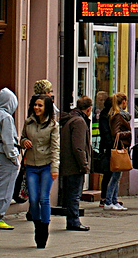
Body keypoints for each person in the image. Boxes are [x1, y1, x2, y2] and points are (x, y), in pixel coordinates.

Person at [22, 95, 60, 248]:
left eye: (40, 106)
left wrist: (54, 168)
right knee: (33, 199)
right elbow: (22, 137)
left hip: (46, 165)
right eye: (35, 105)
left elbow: (55, 148)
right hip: (31, 165)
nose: (36, 108)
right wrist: (24, 141)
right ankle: (38, 225)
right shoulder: (28, 121)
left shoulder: (53, 125)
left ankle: (44, 228)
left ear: (46, 108)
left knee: (44, 198)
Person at [13, 79, 54, 206]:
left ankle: (35, 208)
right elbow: (27, 133)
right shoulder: (40, 107)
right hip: (39, 153)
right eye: (50, 91)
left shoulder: (35, 104)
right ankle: (34, 209)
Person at [0, 87, 21, 230]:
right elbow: (8, 140)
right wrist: (14, 156)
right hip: (7, 155)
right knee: (6, 186)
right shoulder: (6, 117)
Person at [59, 96, 93, 231]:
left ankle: (72, 219)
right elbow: (78, 147)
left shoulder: (70, 118)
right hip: (74, 165)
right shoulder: (79, 122)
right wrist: (84, 165)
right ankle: (73, 221)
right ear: (89, 109)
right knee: (74, 194)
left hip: (68, 163)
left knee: (71, 193)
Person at [104, 92, 131, 211]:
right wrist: (128, 133)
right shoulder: (118, 116)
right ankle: (109, 200)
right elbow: (116, 133)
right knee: (115, 177)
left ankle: (114, 200)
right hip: (119, 148)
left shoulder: (119, 115)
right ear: (123, 102)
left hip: (121, 147)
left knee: (117, 176)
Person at [97, 95, 113, 208]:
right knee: (107, 173)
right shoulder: (105, 116)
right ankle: (104, 197)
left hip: (108, 146)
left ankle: (110, 197)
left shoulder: (109, 115)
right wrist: (110, 145)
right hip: (108, 148)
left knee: (111, 173)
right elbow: (105, 133)